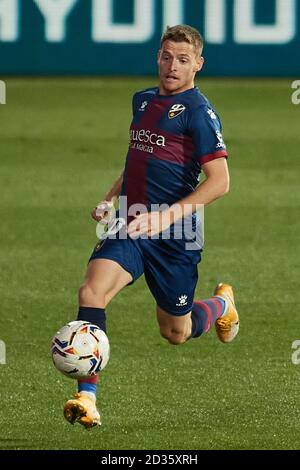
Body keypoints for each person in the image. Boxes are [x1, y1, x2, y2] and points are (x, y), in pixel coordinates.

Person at [63, 24, 239, 429]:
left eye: (182, 59)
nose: (172, 66)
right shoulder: (142, 100)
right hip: (131, 224)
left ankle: (222, 305)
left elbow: (220, 182)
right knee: (91, 290)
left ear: (198, 64)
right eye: (166, 56)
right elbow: (137, 159)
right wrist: (111, 198)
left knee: (176, 332)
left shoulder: (198, 113)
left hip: (176, 236)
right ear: (157, 57)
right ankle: (86, 397)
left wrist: (166, 216)